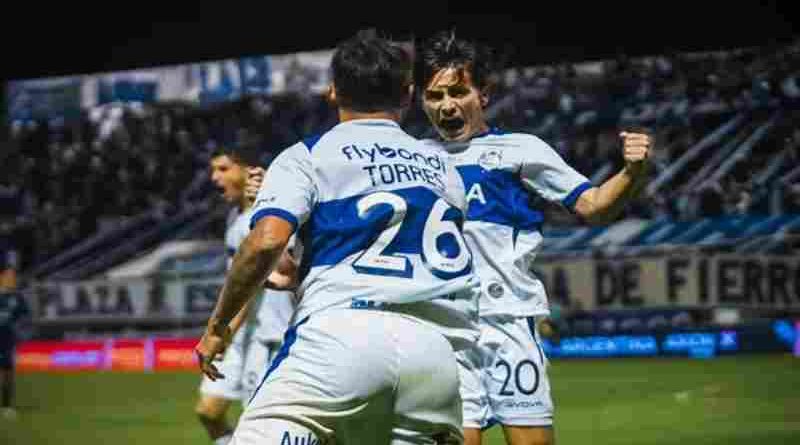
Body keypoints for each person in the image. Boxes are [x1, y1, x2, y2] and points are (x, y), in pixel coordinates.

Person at [195, 29, 480, 445]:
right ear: (407, 93)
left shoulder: (306, 156)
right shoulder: (443, 167)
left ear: (332, 92)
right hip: (435, 356)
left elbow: (267, 240)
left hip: (340, 338)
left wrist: (218, 326)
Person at [417, 31, 653, 445]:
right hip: (443, 330)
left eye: (458, 92)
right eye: (435, 96)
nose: (447, 105)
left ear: (483, 93)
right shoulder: (413, 158)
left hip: (506, 319)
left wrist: (632, 173)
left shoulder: (521, 149)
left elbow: (595, 206)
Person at [195, 144, 296, 445]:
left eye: (223, 169)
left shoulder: (266, 219)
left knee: (265, 423)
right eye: (213, 169)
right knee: (212, 412)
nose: (215, 177)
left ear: (249, 170)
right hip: (249, 332)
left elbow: (251, 282)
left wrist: (220, 331)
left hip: (271, 334)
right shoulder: (235, 218)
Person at [0, 246, 31, 420]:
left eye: (14, 277)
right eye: (10, 277)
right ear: (2, 278)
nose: (13, 280)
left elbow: (24, 317)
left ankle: (6, 407)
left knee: (8, 374)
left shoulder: (17, 298)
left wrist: (21, 332)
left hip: (7, 340)